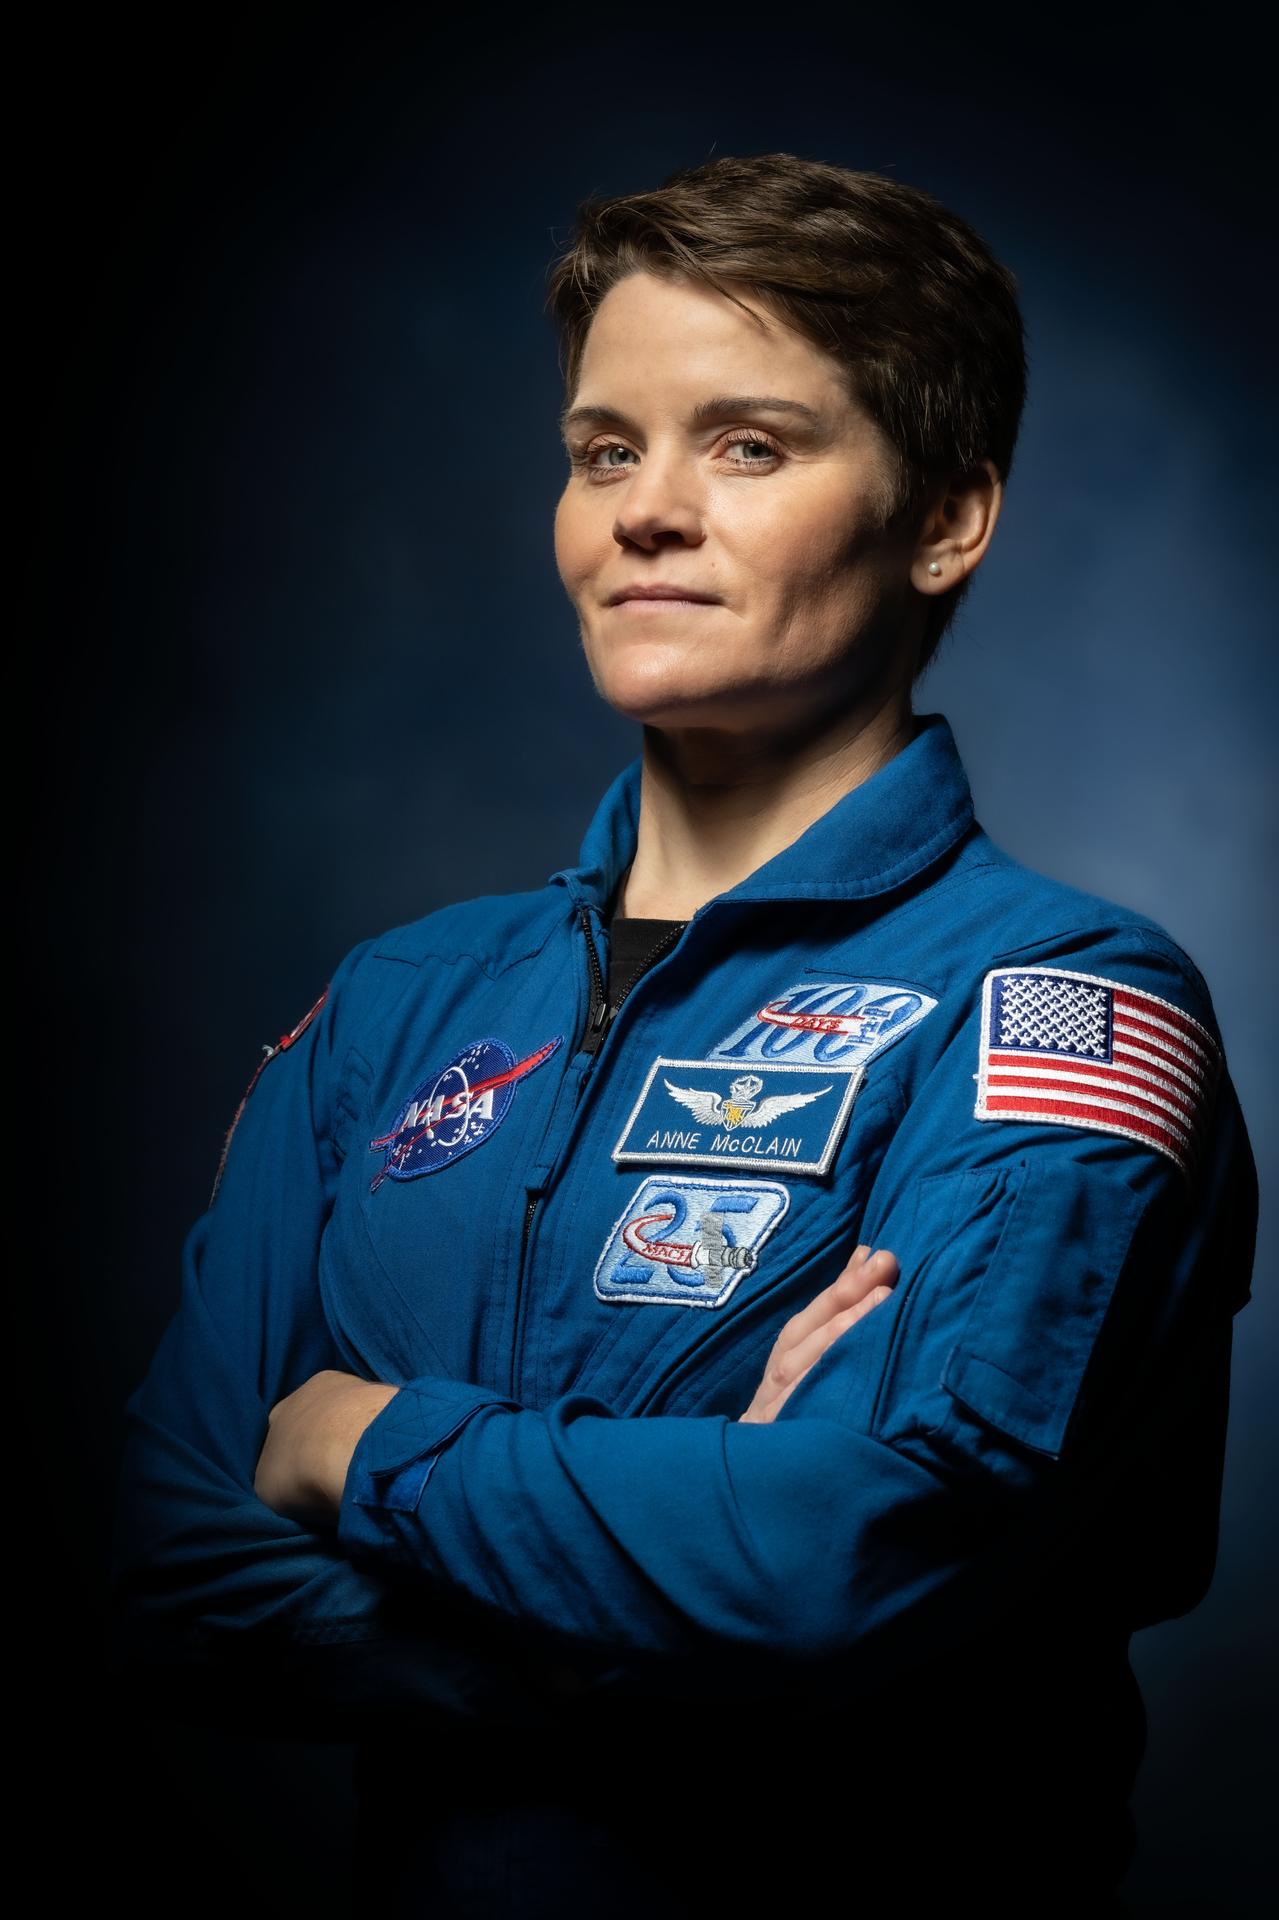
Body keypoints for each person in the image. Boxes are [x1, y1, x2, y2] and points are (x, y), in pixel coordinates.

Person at [107, 151, 1257, 1916]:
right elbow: (170, 1560)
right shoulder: (400, 1005)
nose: (645, 512)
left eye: (749, 445)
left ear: (947, 516)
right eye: (602, 451)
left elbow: (837, 1554)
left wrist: (365, 1445)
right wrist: (687, 1627)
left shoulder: (1060, 1005)